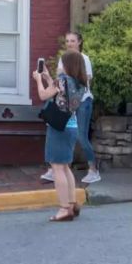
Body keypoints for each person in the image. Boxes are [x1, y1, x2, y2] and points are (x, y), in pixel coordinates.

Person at [33, 50, 87, 222]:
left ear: (68, 65)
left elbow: (43, 95)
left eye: (61, 63)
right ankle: (71, 203)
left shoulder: (62, 80)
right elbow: (62, 96)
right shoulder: (79, 83)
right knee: (65, 167)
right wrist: (49, 79)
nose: (59, 66)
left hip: (58, 129)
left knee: (57, 168)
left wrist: (38, 80)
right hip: (71, 127)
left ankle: (64, 209)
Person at [41, 32, 101, 185]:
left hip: (82, 101)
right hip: (66, 102)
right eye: (67, 41)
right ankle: (57, 167)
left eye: (73, 41)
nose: (69, 44)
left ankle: (93, 170)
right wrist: (52, 78)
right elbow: (60, 80)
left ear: (80, 42)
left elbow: (84, 79)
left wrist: (66, 78)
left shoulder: (83, 58)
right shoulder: (64, 58)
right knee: (62, 131)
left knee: (80, 135)